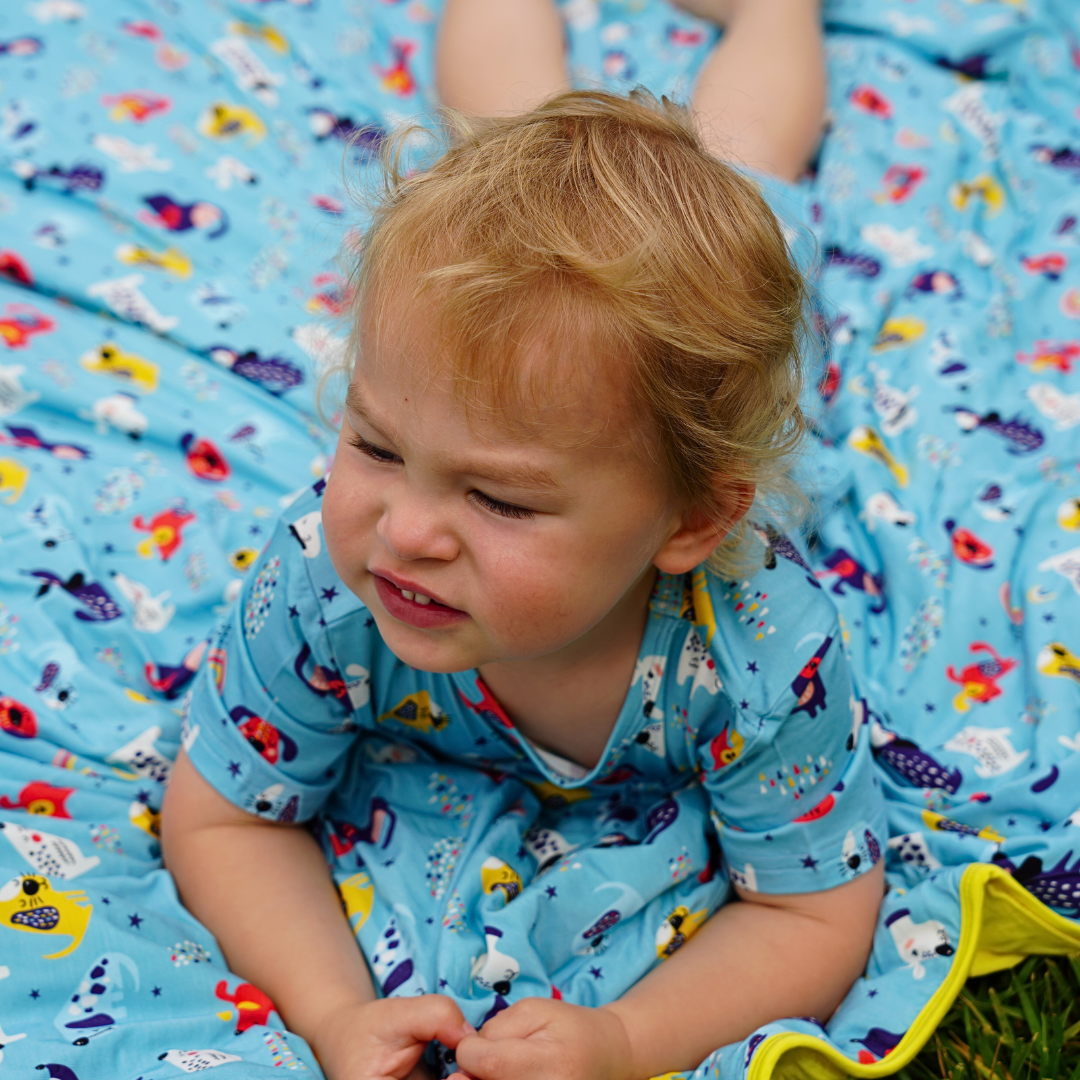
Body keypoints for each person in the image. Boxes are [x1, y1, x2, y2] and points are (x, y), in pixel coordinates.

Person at [161, 5, 884, 1080]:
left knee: (753, 165)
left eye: (499, 501)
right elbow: (224, 818)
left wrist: (630, 1039)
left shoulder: (761, 663)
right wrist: (333, 1013)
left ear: (689, 522)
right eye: (375, 442)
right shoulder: (323, 584)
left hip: (722, 300)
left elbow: (815, 913)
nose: (404, 530)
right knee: (496, 144)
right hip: (535, 275)